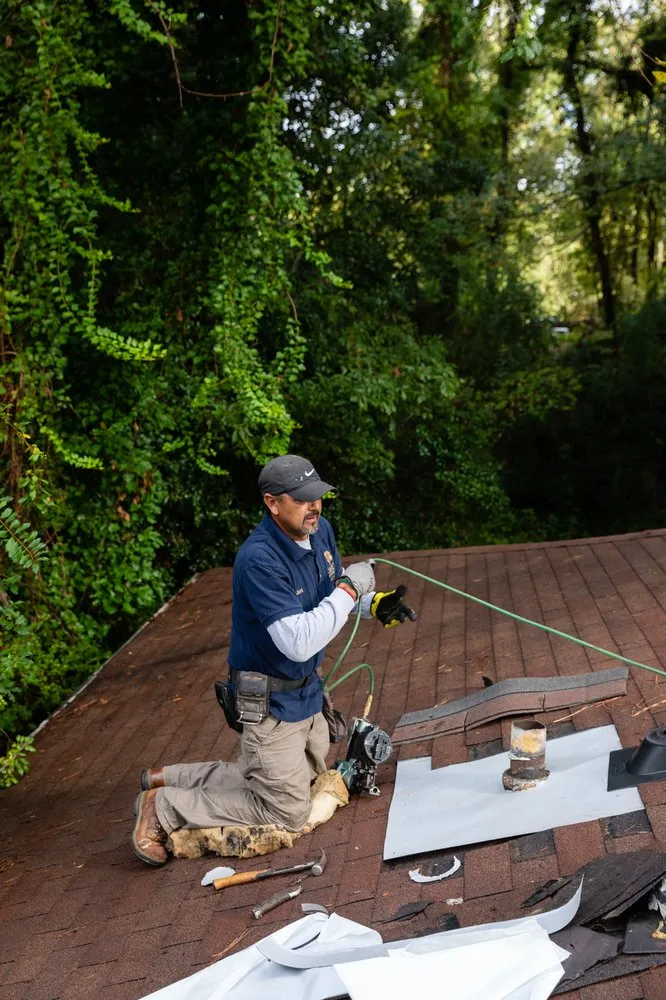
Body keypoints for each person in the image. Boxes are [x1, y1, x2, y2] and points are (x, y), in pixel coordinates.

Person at [131, 454, 415, 865]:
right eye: (302, 499)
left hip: (306, 693)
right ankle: (164, 806)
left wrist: (372, 605)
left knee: (305, 779)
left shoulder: (320, 533)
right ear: (272, 502)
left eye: (317, 496)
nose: (314, 506)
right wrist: (351, 592)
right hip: (271, 704)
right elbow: (298, 642)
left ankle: (169, 777)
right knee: (287, 810)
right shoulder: (258, 560)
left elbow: (327, 597)